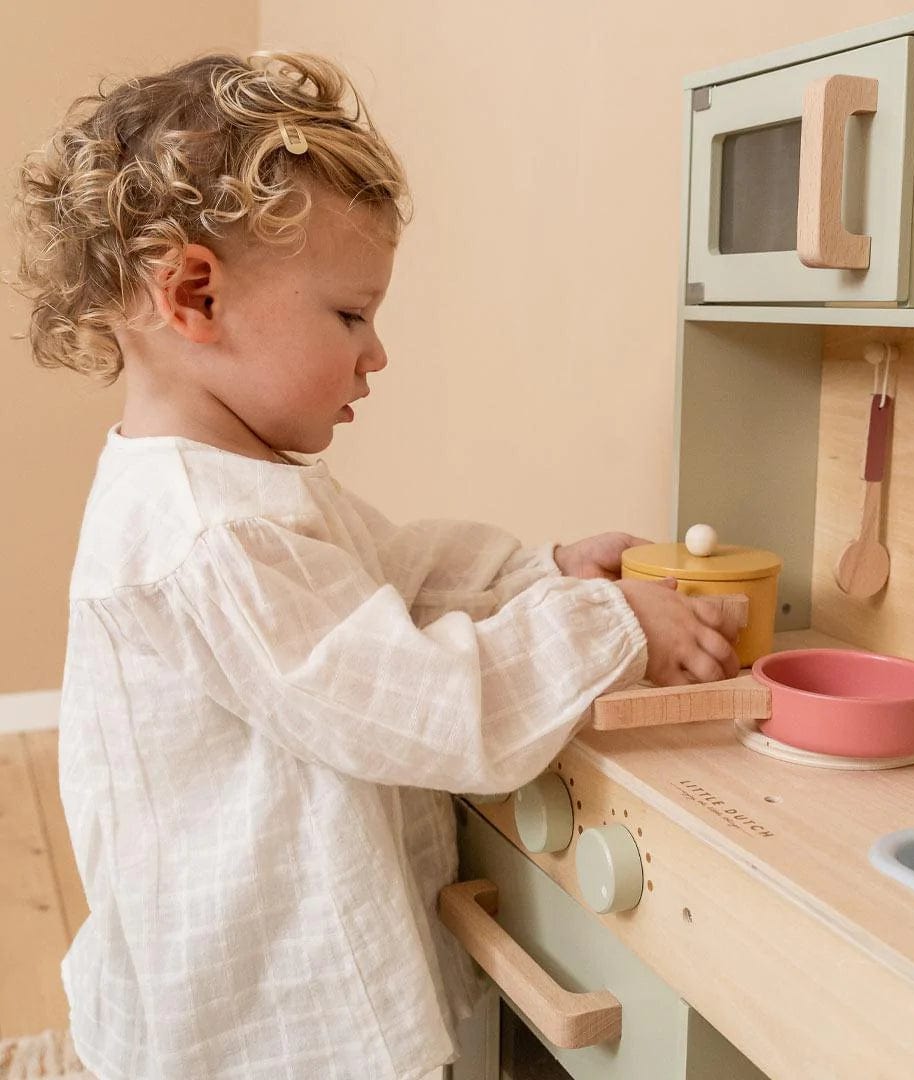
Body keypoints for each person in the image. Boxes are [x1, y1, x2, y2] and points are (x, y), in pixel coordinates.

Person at [9, 50, 741, 1080]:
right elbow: (416, 701)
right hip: (260, 1026)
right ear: (193, 296)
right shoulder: (205, 531)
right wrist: (612, 628)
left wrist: (547, 572)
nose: (376, 353)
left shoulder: (238, 484)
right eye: (350, 315)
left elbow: (391, 577)